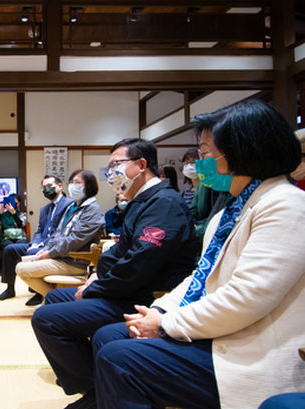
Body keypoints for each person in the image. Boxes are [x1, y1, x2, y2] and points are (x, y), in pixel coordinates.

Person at [90, 100, 305, 409]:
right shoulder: (231, 209)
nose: (200, 163)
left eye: (205, 153)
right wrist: (160, 311)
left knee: (119, 357)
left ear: (243, 151)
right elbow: (201, 276)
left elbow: (245, 300)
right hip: (217, 331)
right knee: (109, 337)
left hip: (246, 347)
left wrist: (165, 324)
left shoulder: (286, 205)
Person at [31, 138, 200, 408]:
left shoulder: (163, 203)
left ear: (141, 165)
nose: (111, 175)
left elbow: (140, 262)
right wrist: (96, 274)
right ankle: (96, 388)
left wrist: (95, 288)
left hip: (143, 296)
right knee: (53, 300)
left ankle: (96, 391)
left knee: (46, 319)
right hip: (125, 287)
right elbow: (119, 250)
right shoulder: (143, 201)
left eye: (116, 166)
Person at [16, 169, 104, 305]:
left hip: (74, 262)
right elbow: (58, 233)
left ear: (89, 186)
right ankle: (54, 299)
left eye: (77, 182)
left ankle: (56, 299)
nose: (73, 186)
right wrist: (46, 249)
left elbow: (74, 240)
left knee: (22, 269)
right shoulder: (72, 207)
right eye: (71, 182)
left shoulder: (93, 210)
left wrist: (50, 253)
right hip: (60, 257)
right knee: (25, 261)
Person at [0, 175, 74, 302]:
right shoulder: (44, 209)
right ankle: (10, 288)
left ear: (60, 186)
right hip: (40, 244)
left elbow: (64, 231)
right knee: (9, 250)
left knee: (33, 253)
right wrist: (35, 243)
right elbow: (39, 230)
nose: (46, 189)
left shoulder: (69, 205)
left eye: (49, 186)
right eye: (44, 187)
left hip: (54, 246)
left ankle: (38, 291)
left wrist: (43, 246)